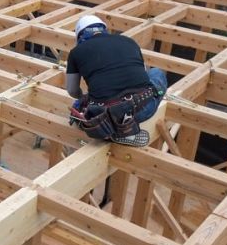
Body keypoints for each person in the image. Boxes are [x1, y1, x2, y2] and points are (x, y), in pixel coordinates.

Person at [66, 15, 167, 147]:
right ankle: (124, 128)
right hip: (143, 109)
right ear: (104, 30)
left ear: (79, 36)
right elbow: (144, 76)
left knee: (98, 95)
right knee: (156, 73)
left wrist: (82, 97)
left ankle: (111, 129)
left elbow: (72, 90)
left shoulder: (76, 52)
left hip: (102, 116)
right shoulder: (129, 41)